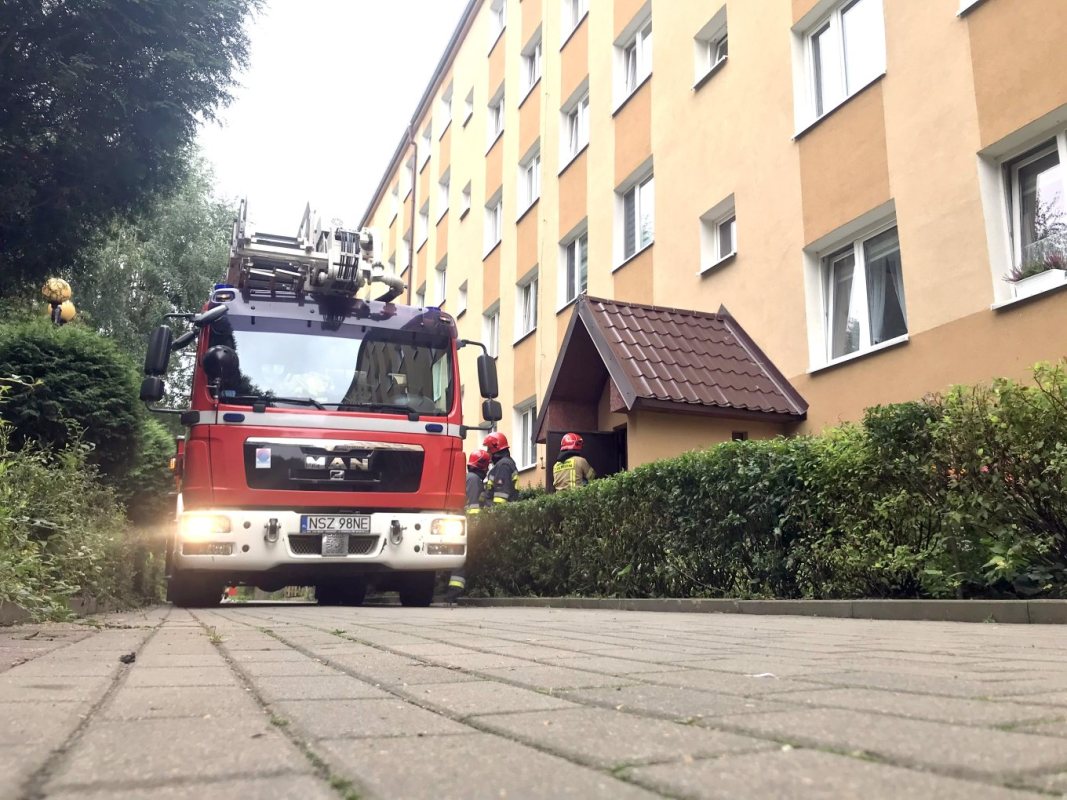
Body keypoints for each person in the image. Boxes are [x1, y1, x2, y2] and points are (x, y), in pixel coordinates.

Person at [444, 449, 490, 604]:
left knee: (455, 557)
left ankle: (451, 590)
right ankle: (454, 592)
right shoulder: (474, 480)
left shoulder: (467, 477)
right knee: (460, 559)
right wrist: (476, 526)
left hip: (456, 523)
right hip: (465, 525)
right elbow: (473, 508)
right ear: (482, 466)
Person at [483, 432, 519, 504]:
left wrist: (495, 510)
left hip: (498, 510)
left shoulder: (503, 465)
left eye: (489, 448)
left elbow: (500, 498)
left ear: (494, 449)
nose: (487, 451)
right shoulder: (504, 463)